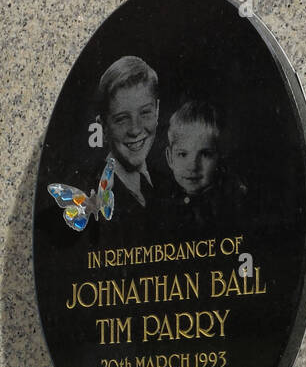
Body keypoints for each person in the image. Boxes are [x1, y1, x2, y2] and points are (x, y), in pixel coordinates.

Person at [95, 55, 161, 237]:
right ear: (104, 126)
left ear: (157, 110)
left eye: (145, 112)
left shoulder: (170, 184)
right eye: (122, 119)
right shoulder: (92, 194)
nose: (135, 129)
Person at [162, 100, 246, 233]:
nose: (193, 166)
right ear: (170, 158)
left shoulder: (231, 204)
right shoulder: (163, 203)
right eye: (183, 154)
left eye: (205, 154)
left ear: (220, 157)